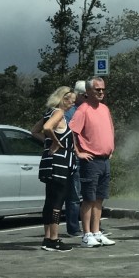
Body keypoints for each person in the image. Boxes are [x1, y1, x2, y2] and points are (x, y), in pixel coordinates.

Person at [69, 76, 116, 248]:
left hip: (104, 160)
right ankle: (86, 234)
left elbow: (110, 128)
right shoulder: (83, 109)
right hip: (91, 160)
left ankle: (96, 232)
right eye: (97, 89)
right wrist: (78, 152)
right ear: (88, 91)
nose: (101, 92)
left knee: (99, 198)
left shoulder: (104, 108)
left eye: (103, 89)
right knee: (89, 198)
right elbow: (72, 132)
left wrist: (110, 148)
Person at [37, 86, 77, 252]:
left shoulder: (49, 112)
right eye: (71, 101)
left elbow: (34, 131)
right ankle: (54, 239)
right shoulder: (58, 113)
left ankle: (47, 238)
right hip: (59, 163)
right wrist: (55, 142)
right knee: (58, 201)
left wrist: (48, 142)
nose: (72, 105)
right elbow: (47, 128)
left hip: (48, 162)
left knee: (50, 200)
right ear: (63, 99)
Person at [61, 80, 87, 237]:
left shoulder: (84, 109)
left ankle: (92, 227)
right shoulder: (70, 112)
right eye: (85, 95)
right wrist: (76, 151)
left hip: (87, 156)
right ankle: (73, 228)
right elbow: (70, 135)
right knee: (74, 195)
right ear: (79, 95)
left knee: (89, 195)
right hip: (75, 157)